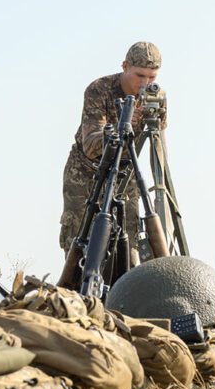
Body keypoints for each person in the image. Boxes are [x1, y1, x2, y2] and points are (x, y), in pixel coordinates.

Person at [59, 41, 167, 254]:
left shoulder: (156, 97)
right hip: (87, 174)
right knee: (80, 247)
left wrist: (159, 191)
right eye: (139, 75)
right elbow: (90, 145)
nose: (145, 83)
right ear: (125, 66)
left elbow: (159, 145)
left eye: (152, 77)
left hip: (126, 175)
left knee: (128, 247)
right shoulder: (99, 89)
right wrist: (121, 126)